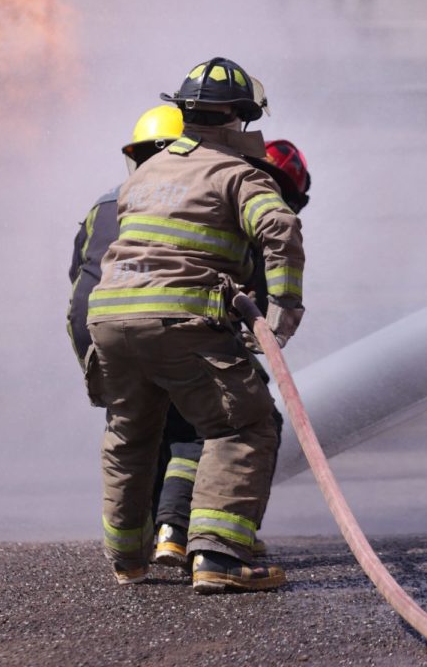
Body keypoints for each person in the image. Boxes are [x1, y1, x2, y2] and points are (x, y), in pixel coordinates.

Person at [85, 57, 305, 593]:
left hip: (109, 320)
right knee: (245, 425)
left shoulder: (146, 173)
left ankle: (128, 560)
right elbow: (280, 226)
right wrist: (283, 312)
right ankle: (219, 558)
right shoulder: (238, 174)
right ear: (237, 118)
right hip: (179, 320)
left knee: (130, 436)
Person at [152, 137, 311, 569]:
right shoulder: (251, 219)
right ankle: (216, 547)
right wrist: (278, 318)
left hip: (142, 333)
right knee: (247, 422)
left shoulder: (191, 195)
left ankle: (164, 535)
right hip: (194, 338)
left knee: (170, 431)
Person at [67, 104, 185, 369]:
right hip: (173, 348)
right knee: (248, 408)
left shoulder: (103, 205)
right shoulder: (199, 202)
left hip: (100, 344)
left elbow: (79, 275)